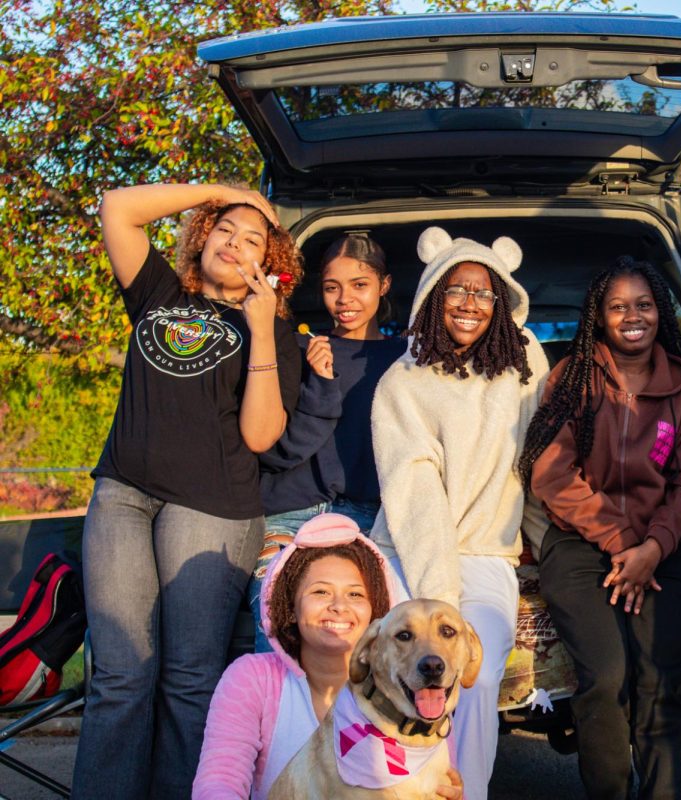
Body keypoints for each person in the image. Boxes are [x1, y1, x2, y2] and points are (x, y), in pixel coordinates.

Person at [74, 183, 304, 799]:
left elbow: (261, 435)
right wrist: (225, 192)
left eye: (253, 239)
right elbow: (118, 207)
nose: (234, 241)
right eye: (225, 229)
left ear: (268, 264)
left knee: (188, 679)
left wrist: (260, 327)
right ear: (203, 237)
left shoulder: (276, 335)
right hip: (124, 494)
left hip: (213, 510)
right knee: (121, 677)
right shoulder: (158, 291)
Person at [520, 257, 681, 800]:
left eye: (644, 304)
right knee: (605, 680)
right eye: (618, 306)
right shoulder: (573, 378)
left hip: (665, 551)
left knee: (658, 686)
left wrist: (653, 546)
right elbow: (552, 474)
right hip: (580, 546)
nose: (633, 316)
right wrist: (624, 542)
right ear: (598, 317)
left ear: (660, 311)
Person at [369, 226, 549, 799]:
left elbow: (538, 458)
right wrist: (440, 596)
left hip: (487, 554)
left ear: (501, 303)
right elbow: (413, 489)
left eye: (482, 292)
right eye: (455, 290)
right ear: (431, 297)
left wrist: (551, 546)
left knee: (477, 676)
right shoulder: (402, 381)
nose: (470, 303)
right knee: (396, 678)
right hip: (408, 551)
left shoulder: (525, 362)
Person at [250, 233, 406, 651]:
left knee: (362, 645)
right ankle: (277, 714)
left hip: (368, 522)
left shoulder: (406, 358)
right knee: (277, 630)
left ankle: (348, 720)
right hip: (290, 514)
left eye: (360, 285)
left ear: (384, 285)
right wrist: (320, 382)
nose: (344, 299)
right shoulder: (299, 349)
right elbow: (276, 449)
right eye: (331, 287)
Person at [193, 513, 411, 797]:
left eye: (356, 595)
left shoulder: (404, 685)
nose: (339, 606)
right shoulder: (252, 678)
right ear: (290, 606)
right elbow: (219, 782)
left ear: (376, 609)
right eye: (321, 592)